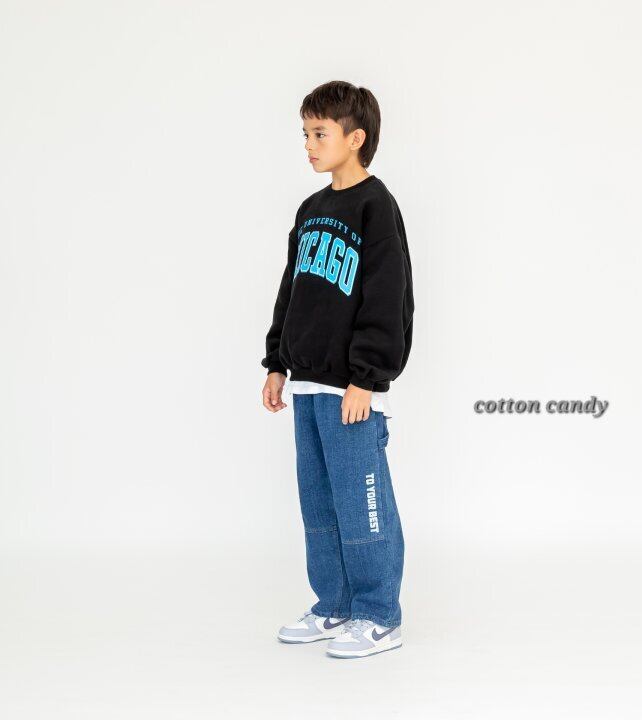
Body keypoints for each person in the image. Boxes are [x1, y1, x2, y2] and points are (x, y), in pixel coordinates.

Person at [260, 80, 414, 659]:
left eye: (319, 133)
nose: (308, 144)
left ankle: (379, 614)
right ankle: (335, 604)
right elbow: (292, 290)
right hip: (307, 384)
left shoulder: (376, 206)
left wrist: (366, 378)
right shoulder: (311, 209)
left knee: (361, 500)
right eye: (305, 133)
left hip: (352, 389)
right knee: (320, 502)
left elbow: (388, 297)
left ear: (356, 138)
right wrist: (277, 362)